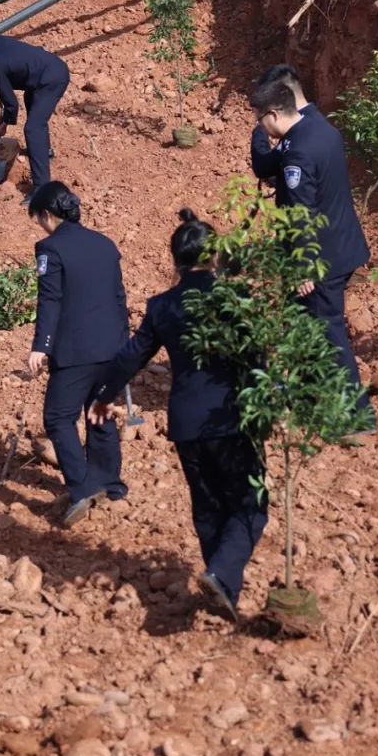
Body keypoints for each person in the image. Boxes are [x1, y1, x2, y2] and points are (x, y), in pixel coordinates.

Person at [88, 209, 266, 622]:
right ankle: (222, 574)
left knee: (207, 506)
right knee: (250, 503)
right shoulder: (237, 300)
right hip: (231, 417)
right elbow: (257, 359)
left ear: (175, 262)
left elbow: (130, 357)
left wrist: (103, 395)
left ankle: (223, 588)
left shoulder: (163, 306)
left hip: (187, 422)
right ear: (217, 256)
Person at [250, 79, 373, 416]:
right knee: (301, 322)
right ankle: (307, 398)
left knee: (327, 330)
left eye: (260, 119)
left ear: (273, 114)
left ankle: (356, 416)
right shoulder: (321, 131)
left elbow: (301, 214)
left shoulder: (297, 153)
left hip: (320, 259)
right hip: (341, 245)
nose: (261, 125)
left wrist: (303, 267)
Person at [27, 181, 128, 525]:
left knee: (58, 417)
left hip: (75, 350)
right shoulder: (105, 244)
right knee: (99, 412)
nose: (40, 226)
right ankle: (109, 484)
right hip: (112, 348)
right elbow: (119, 299)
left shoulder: (49, 249)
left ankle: (82, 488)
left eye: (38, 219)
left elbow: (50, 300)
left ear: (47, 215)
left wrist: (41, 346)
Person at [0, 36, 70, 191]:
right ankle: (44, 150)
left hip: (51, 79)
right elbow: (5, 95)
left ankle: (41, 189)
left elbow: (11, 103)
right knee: (30, 99)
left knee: (33, 128)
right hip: (46, 70)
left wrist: (4, 123)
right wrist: (4, 119)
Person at [249, 63, 323, 182]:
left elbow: (263, 167)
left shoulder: (299, 133)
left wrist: (261, 126)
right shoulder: (319, 122)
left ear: (282, 92)